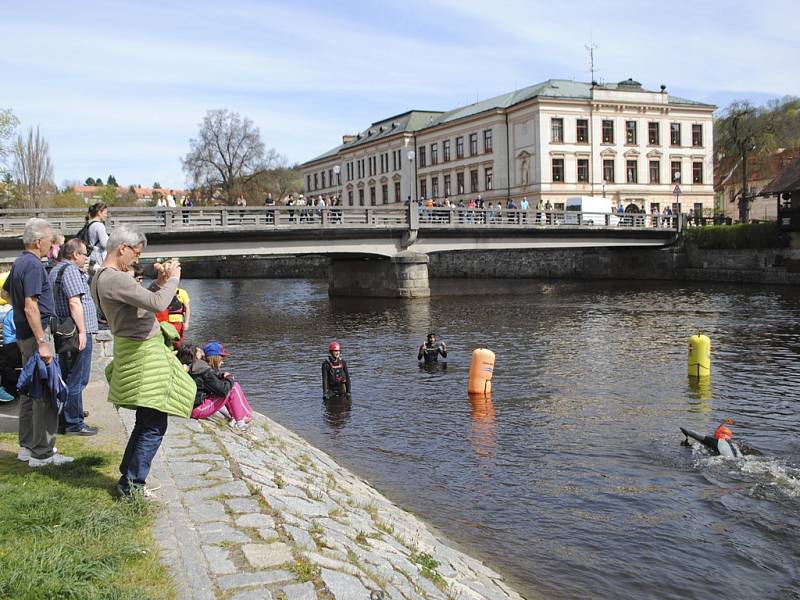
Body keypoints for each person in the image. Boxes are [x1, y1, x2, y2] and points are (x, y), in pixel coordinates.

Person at [91, 225, 195, 498]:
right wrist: (174, 278)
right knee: (154, 423)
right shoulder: (115, 278)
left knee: (145, 419)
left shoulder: (102, 276)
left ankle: (129, 474)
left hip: (133, 350)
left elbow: (140, 302)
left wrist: (159, 283)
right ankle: (132, 486)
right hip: (144, 355)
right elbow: (159, 305)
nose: (137, 259)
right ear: (122, 248)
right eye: (135, 253)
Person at [1, 218, 74, 467]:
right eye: (50, 240)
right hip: (37, 335)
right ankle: (42, 453)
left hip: (25, 335)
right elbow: (31, 305)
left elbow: (5, 292)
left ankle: (26, 447)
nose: (52, 244)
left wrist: (20, 315)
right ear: (38, 241)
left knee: (30, 392)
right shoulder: (32, 265)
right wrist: (42, 341)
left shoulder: (19, 262)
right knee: (45, 391)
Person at [49, 238, 99, 436]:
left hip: (64, 330)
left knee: (69, 376)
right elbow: (74, 303)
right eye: (85, 253)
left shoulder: (56, 269)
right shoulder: (69, 270)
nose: (86, 257)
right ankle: (74, 424)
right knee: (77, 379)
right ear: (75, 254)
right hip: (75, 331)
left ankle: (67, 418)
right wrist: (82, 331)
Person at [177, 344, 253, 429]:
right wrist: (230, 378)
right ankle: (240, 423)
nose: (223, 362)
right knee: (233, 387)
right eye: (221, 359)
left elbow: (209, 381)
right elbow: (223, 391)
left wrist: (221, 376)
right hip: (196, 410)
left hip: (188, 407)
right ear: (215, 358)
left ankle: (238, 416)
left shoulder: (193, 367)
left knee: (229, 385)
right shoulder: (206, 371)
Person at [85, 202, 110, 271]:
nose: (106, 215)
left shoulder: (89, 224)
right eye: (105, 213)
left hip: (91, 255)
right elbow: (104, 244)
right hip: (99, 256)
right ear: (99, 213)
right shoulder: (99, 225)